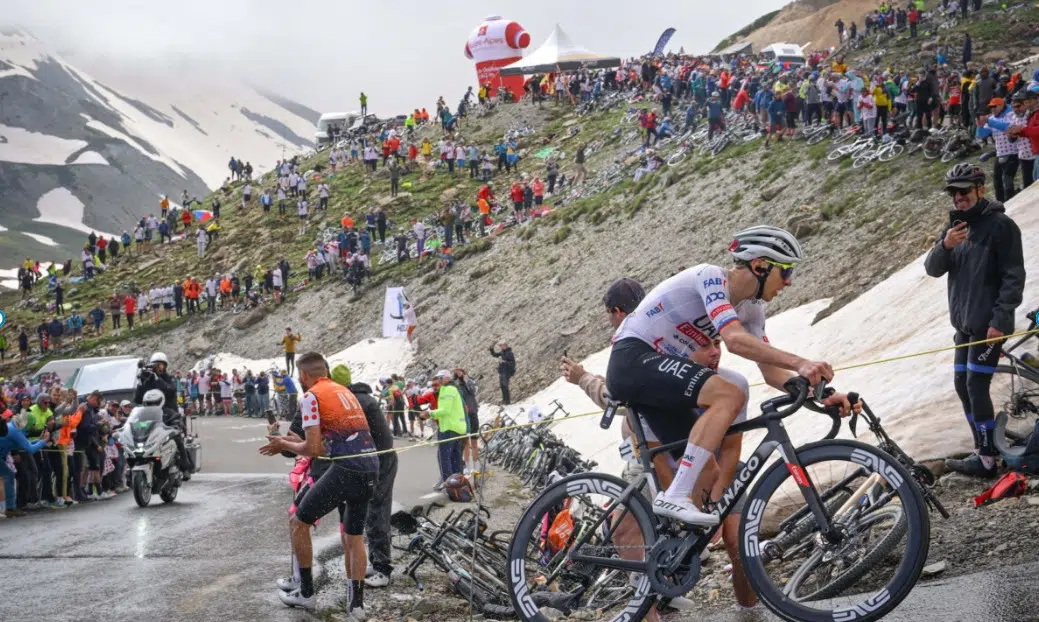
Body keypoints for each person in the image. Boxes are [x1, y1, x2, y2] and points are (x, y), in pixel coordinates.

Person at [606, 226, 854, 525]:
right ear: (760, 265)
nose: (788, 283)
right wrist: (801, 362)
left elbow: (772, 373)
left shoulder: (752, 310)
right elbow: (734, 341)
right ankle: (675, 496)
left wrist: (822, 394)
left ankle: (676, 556)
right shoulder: (709, 277)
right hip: (632, 359)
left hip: (660, 377)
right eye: (786, 272)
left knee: (707, 472)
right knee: (729, 392)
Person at [924, 164, 1025, 477]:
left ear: (981, 189)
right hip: (964, 325)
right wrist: (945, 245)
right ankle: (982, 449)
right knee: (961, 384)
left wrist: (1001, 319)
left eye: (964, 191)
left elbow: (1013, 276)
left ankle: (987, 459)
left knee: (975, 386)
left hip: (988, 325)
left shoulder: (1001, 226)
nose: (958, 198)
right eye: (954, 193)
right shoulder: (956, 228)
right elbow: (932, 268)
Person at [259, 352, 377, 616]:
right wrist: (287, 442)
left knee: (298, 523)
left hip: (346, 469)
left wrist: (282, 444)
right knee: (354, 537)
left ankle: (307, 593)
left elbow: (312, 449)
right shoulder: (343, 392)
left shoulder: (312, 396)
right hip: (371, 467)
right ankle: (356, 607)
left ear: (303, 376)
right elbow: (324, 446)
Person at [330, 364, 398, 589]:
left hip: (380, 461)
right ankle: (376, 561)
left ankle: (382, 568)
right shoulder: (359, 397)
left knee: (377, 510)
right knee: (370, 510)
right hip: (376, 459)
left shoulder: (357, 402)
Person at [133, 352, 193, 473]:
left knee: (176, 435)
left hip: (168, 411)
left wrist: (157, 379)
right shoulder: (147, 379)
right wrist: (140, 382)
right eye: (156, 365)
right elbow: (137, 399)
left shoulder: (169, 378)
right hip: (149, 413)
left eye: (161, 365)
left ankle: (185, 465)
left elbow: (171, 391)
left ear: (165, 366)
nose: (158, 367)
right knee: (137, 431)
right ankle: (136, 462)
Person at [420, 371, 467, 486]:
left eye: (440, 379)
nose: (438, 383)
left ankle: (449, 484)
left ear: (447, 378)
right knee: (455, 457)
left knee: (444, 457)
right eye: (433, 385)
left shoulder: (448, 389)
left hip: (449, 428)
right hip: (455, 428)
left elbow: (445, 410)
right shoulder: (450, 389)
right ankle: (458, 483)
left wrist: (429, 413)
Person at [454, 368, 480, 473]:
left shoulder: (469, 382)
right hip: (463, 416)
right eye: (457, 373)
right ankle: (468, 466)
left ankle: (476, 466)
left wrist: (466, 380)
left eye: (461, 372)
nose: (459, 374)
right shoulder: (456, 386)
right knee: (465, 443)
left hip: (472, 414)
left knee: (474, 442)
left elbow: (473, 391)